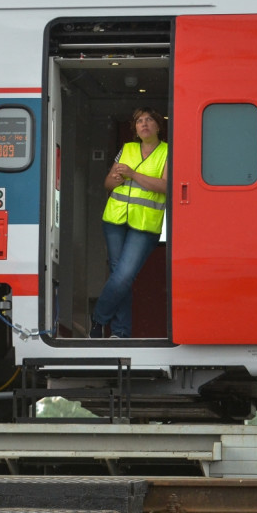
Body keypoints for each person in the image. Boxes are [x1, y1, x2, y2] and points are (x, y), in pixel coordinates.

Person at [91, 107, 169, 339]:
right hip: (114, 220)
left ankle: (98, 319)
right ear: (135, 129)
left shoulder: (168, 152)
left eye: (148, 120)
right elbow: (107, 185)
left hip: (144, 225)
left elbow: (166, 186)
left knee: (124, 276)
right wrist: (115, 179)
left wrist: (133, 175)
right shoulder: (127, 149)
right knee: (118, 275)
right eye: (139, 121)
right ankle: (120, 332)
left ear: (157, 126)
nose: (143, 124)